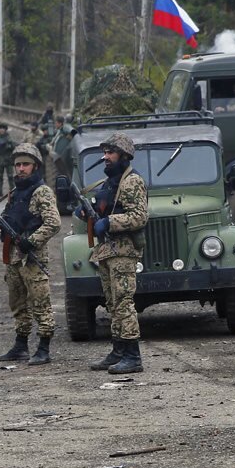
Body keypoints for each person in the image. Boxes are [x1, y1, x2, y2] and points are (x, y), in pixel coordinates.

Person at [80, 132, 149, 374]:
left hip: (123, 250)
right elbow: (104, 207)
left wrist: (109, 222)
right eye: (105, 152)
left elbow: (139, 216)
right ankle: (118, 350)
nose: (105, 156)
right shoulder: (110, 182)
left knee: (123, 302)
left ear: (124, 155)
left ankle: (133, 355)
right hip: (107, 251)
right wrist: (88, 214)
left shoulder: (131, 181)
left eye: (110, 152)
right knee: (112, 303)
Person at [0, 143, 61, 365]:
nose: (20, 168)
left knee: (40, 302)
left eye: (25, 164)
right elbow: (10, 219)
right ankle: (20, 346)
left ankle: (44, 348)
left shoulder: (42, 191)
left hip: (32, 257)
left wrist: (32, 241)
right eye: (18, 164)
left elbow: (53, 223)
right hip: (13, 256)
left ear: (35, 166)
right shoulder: (16, 192)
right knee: (17, 302)